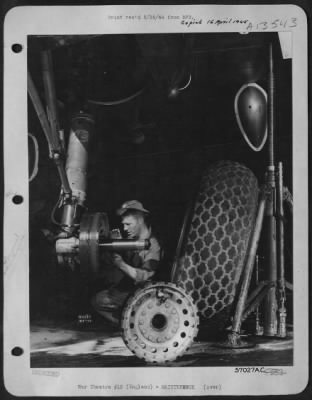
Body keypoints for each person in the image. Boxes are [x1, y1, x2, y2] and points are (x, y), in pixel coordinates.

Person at [91, 200, 162, 327]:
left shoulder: (153, 245)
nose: (125, 228)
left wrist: (121, 264)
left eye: (128, 224)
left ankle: (133, 326)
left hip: (148, 294)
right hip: (133, 289)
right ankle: (130, 322)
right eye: (124, 224)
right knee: (99, 296)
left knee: (100, 300)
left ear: (140, 220)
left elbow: (144, 277)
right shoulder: (132, 240)